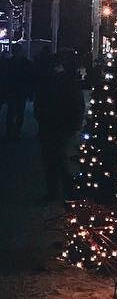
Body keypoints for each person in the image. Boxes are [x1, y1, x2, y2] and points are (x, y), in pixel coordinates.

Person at [34, 51, 85, 204]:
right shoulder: (67, 82)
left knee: (54, 160)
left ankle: (59, 191)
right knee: (58, 159)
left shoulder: (51, 82)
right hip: (58, 125)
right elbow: (77, 105)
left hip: (53, 126)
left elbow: (41, 104)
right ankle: (66, 191)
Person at [3, 44, 35, 141]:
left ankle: (11, 132)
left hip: (14, 91)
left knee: (12, 112)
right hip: (20, 91)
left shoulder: (9, 63)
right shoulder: (26, 63)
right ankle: (15, 132)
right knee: (18, 112)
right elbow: (30, 78)